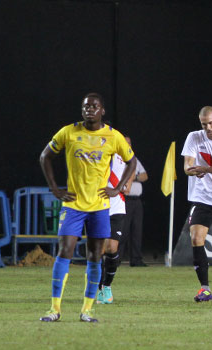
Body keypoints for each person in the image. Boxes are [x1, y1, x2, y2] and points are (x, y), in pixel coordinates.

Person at [39, 93, 136, 323]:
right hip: (73, 204)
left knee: (95, 257)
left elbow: (131, 161)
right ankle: (54, 309)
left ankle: (87, 310)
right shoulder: (68, 132)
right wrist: (54, 188)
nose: (89, 109)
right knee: (65, 252)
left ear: (102, 110)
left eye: (94, 106)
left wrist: (118, 188)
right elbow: (45, 156)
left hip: (99, 206)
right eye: (85, 106)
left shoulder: (113, 136)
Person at [181, 106, 212, 302]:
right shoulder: (194, 137)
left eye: (211, 123)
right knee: (196, 238)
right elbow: (187, 166)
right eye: (204, 124)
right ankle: (205, 289)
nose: (208, 127)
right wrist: (192, 170)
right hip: (202, 198)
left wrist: (207, 169)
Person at [97, 150, 134, 304]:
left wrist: (128, 183)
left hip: (117, 206)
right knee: (98, 250)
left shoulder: (121, 155)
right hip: (97, 206)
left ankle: (107, 286)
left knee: (112, 247)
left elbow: (133, 165)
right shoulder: (94, 153)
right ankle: (97, 287)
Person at [120, 136, 148, 267]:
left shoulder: (135, 160)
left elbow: (145, 176)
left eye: (130, 143)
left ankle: (136, 260)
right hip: (124, 199)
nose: (128, 146)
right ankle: (116, 259)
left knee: (137, 231)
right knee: (123, 230)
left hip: (136, 201)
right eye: (126, 143)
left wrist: (134, 177)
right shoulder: (117, 160)